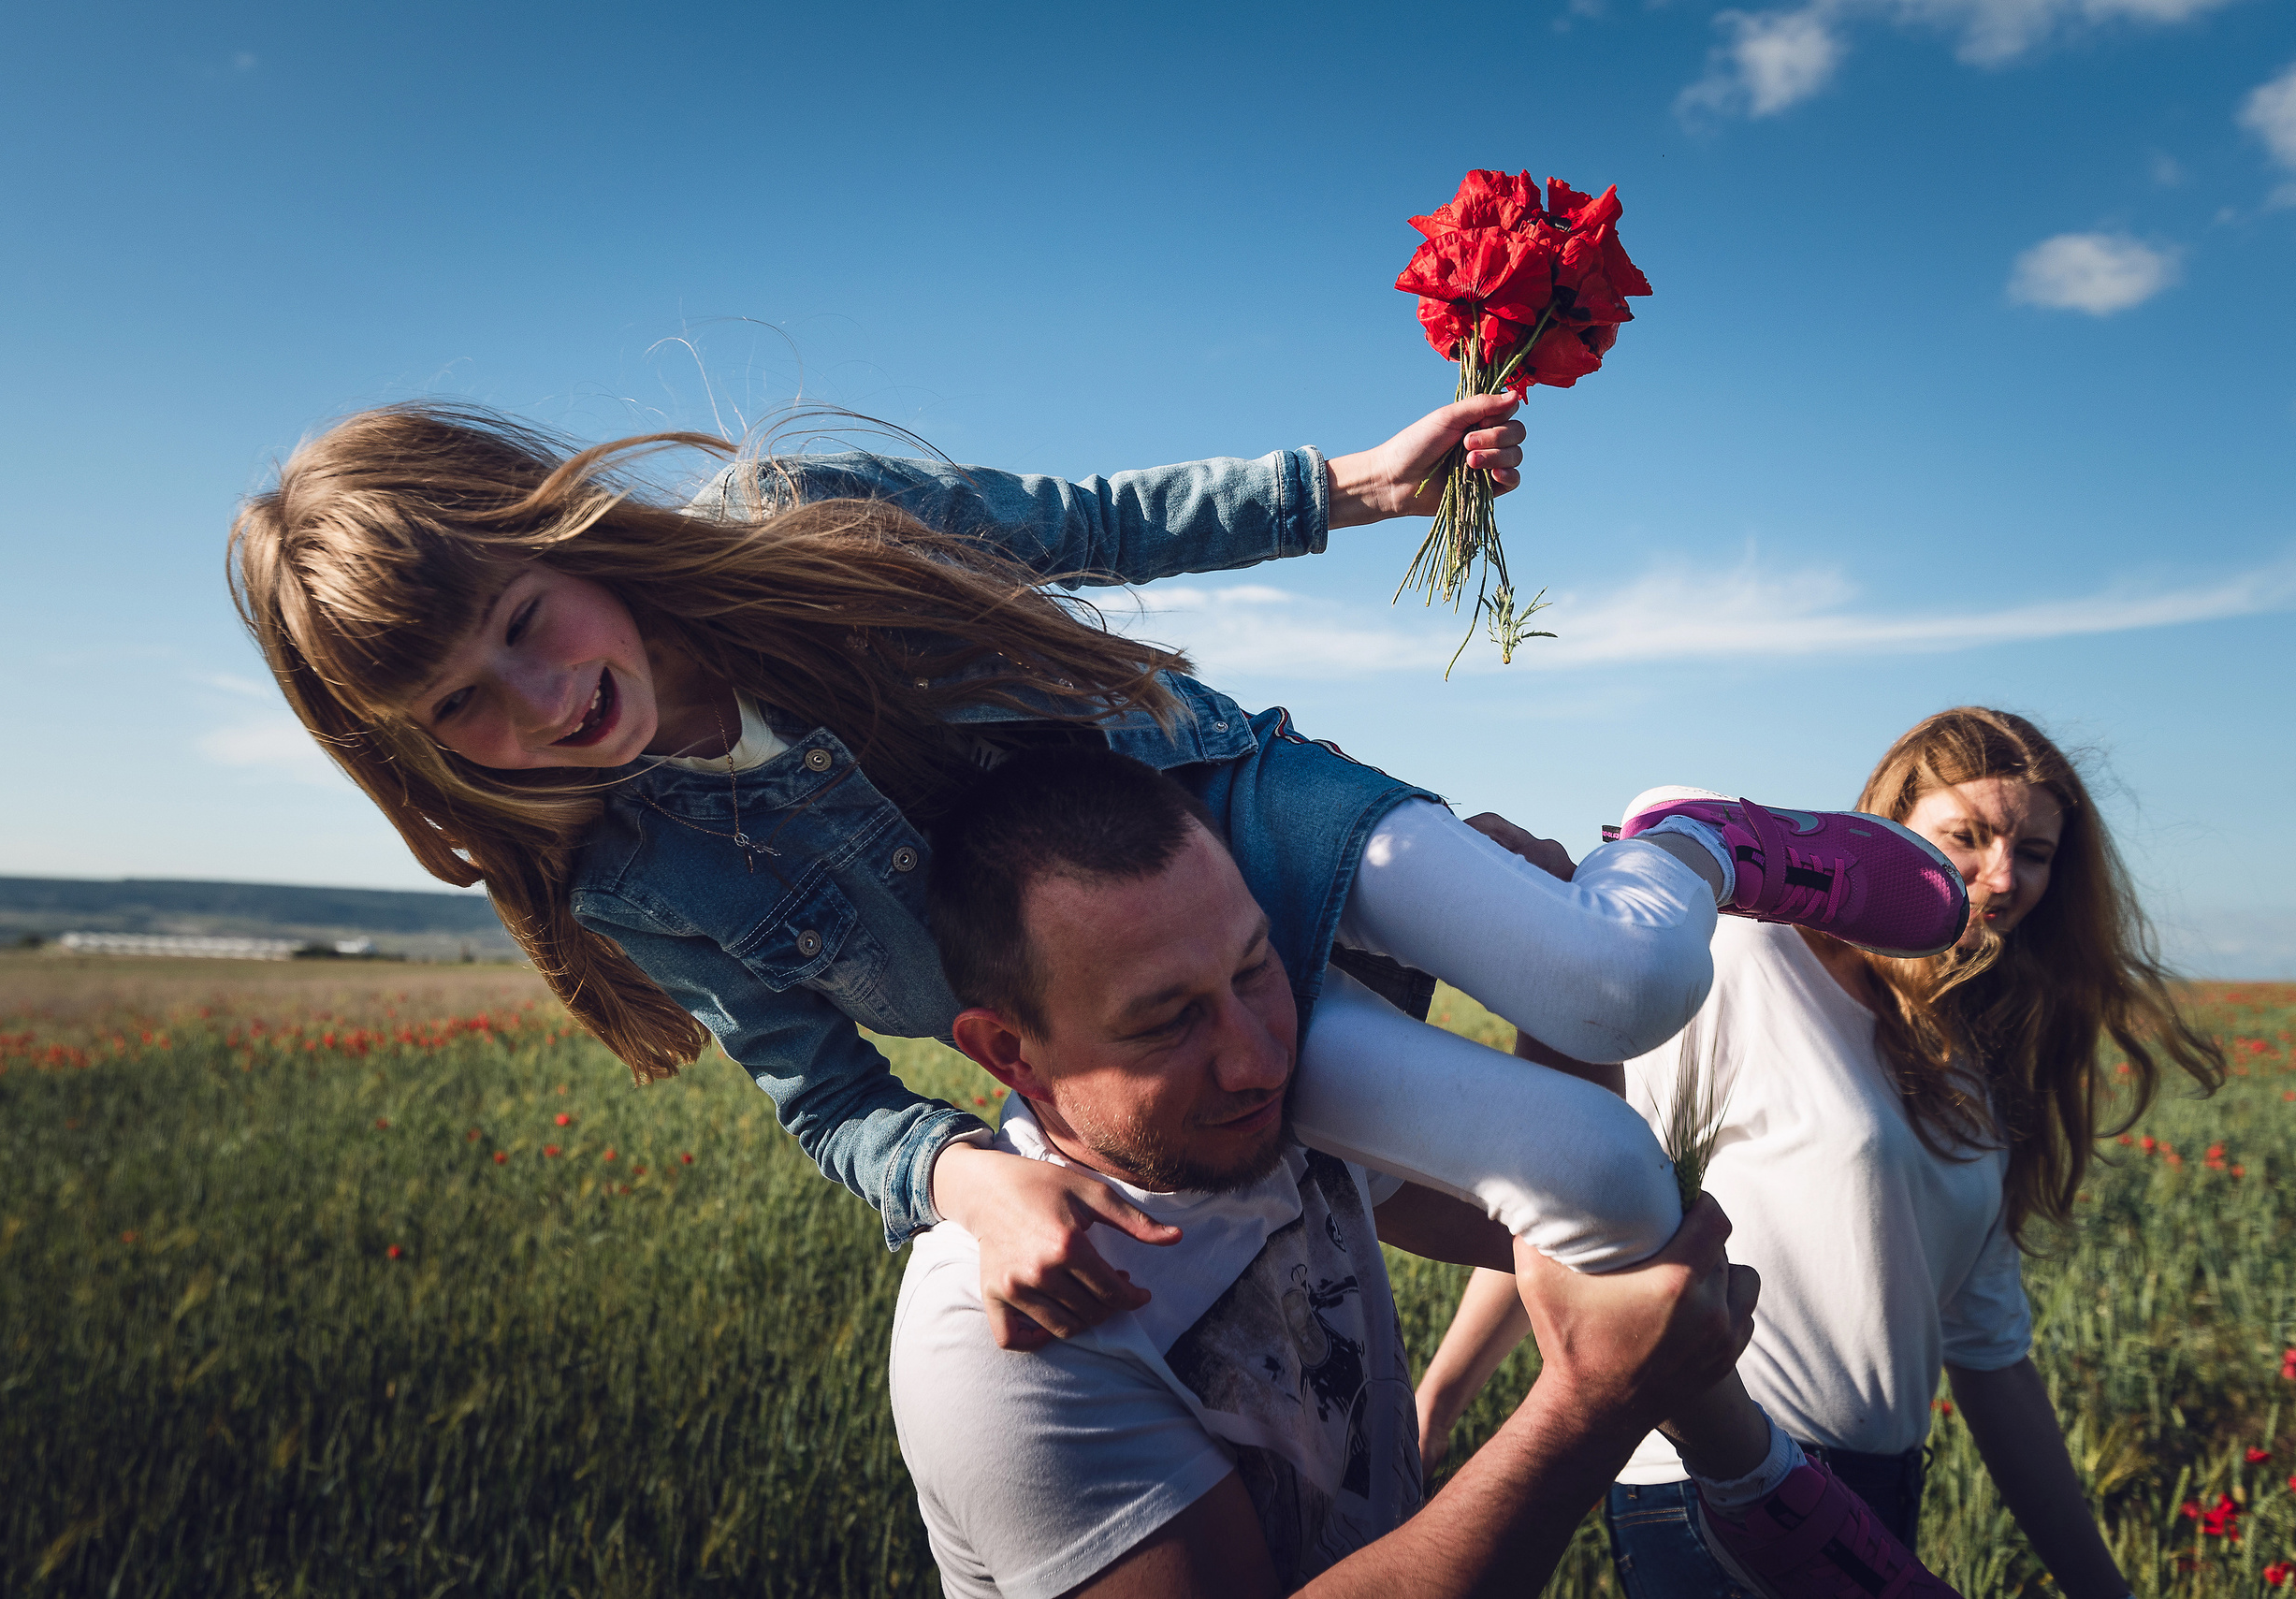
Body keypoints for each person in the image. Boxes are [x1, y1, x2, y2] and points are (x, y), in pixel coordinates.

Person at [227, 393, 1964, 1357]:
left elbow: (1077, 516)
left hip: (1241, 804)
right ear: (417, 745)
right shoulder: (633, 875)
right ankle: (1733, 1468)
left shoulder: (798, 515)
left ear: (570, 534)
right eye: (465, 704)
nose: (541, 700)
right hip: (1147, 1020)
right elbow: (824, 1098)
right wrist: (965, 1178)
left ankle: (1690, 838)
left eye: (528, 623)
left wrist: (1352, 484)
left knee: (1625, 981)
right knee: (1594, 1167)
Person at [893, 745, 1762, 1597]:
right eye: (1166, 1022)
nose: (1259, 1057)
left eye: (1254, 965)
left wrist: (1548, 989)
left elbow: (1531, 1229)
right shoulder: (996, 1332)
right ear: (1012, 1053)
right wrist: (1588, 1409)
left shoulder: (1267, 1123)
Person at [1411, 709, 2226, 1599]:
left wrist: (2098, 1584)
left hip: (1878, 1497)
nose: (2000, 876)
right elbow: (1585, 1184)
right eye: (1967, 836)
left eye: (2032, 852)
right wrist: (1441, 1394)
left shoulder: (1976, 1074)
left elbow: (1990, 1353)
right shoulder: (1755, 959)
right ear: (1885, 833)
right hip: (1704, 1486)